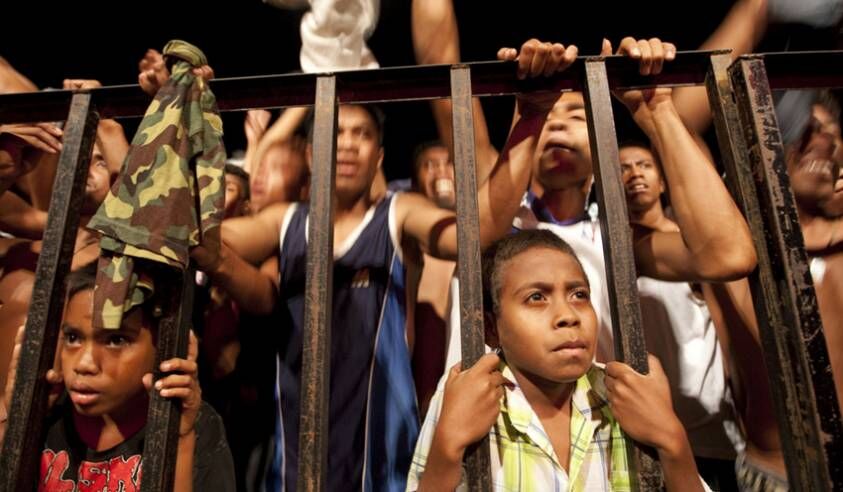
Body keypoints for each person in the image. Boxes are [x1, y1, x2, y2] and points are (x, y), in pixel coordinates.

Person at [194, 39, 578, 491]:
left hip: (385, 454)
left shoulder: (397, 214)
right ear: (312, 153)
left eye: (362, 134)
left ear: (378, 155)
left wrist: (530, 117)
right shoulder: (285, 220)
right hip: (296, 449)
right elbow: (201, 237)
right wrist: (188, 118)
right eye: (336, 132)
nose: (347, 144)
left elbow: (480, 229)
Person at [407, 229, 708, 491]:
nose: (568, 315)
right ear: (490, 329)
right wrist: (447, 447)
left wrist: (672, 441)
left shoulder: (628, 393)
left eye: (579, 295)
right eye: (536, 297)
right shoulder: (466, 394)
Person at [0, 263, 236, 490]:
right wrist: (16, 422)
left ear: (167, 346)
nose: (84, 364)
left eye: (116, 340)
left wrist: (180, 440)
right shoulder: (48, 414)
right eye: (73, 338)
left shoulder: (194, 425)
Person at [619, 141, 741, 489]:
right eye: (623, 167)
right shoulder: (607, 246)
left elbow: (725, 324)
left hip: (709, 422)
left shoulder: (692, 246)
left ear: (662, 182)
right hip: (644, 420)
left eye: (644, 165)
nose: (634, 173)